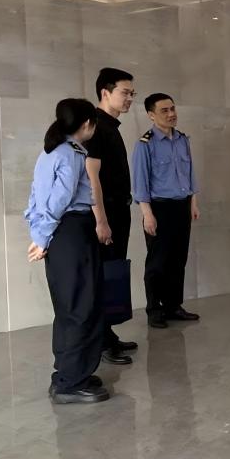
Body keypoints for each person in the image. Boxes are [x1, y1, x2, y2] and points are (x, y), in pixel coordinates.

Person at [24, 98, 110, 404]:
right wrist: (42, 237)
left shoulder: (50, 152)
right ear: (87, 124)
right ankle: (71, 383)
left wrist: (39, 235)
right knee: (82, 306)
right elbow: (60, 199)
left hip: (60, 234)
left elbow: (36, 197)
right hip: (72, 231)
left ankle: (67, 373)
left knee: (68, 306)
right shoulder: (72, 154)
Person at [132, 93, 200, 328]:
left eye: (172, 109)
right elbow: (140, 183)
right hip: (159, 208)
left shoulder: (182, 140)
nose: (171, 114)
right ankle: (154, 310)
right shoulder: (145, 144)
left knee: (178, 259)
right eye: (164, 110)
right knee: (157, 262)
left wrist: (193, 202)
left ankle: (173, 306)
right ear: (151, 115)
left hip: (182, 205)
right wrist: (147, 214)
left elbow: (190, 173)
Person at [86, 67, 139, 365]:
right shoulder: (96, 127)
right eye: (125, 92)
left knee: (112, 272)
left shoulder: (110, 126)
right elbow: (91, 177)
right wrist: (101, 221)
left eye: (132, 93)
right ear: (105, 92)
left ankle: (108, 334)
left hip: (118, 211)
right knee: (103, 275)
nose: (130, 98)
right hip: (106, 214)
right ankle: (101, 341)